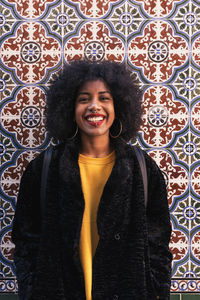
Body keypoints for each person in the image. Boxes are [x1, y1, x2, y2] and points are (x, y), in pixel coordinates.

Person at [12, 60, 172, 300]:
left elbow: (158, 244)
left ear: (119, 105)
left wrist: (157, 288)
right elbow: (26, 241)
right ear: (69, 107)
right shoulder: (44, 168)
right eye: (84, 99)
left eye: (104, 98)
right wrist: (31, 288)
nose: (94, 106)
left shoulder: (142, 168)